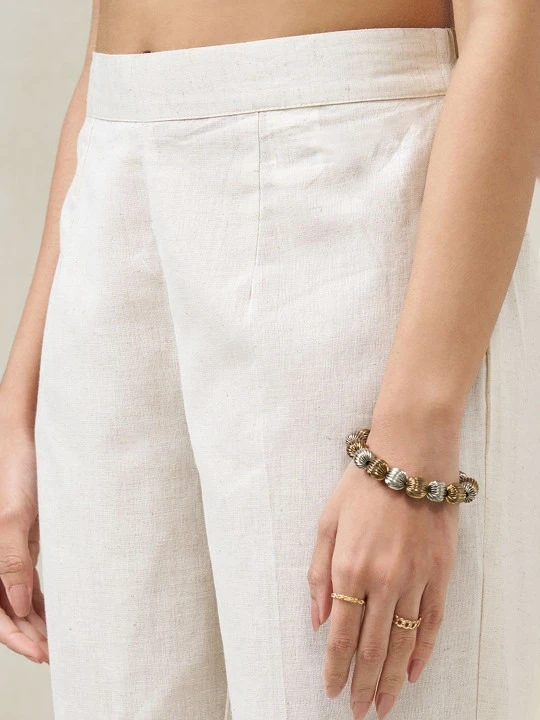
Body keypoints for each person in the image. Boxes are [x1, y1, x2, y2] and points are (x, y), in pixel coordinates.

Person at [1, 0, 539, 718]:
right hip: (115, 162)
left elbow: (511, 19)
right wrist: (19, 405)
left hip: (344, 162)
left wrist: (415, 437)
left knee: (355, 682)